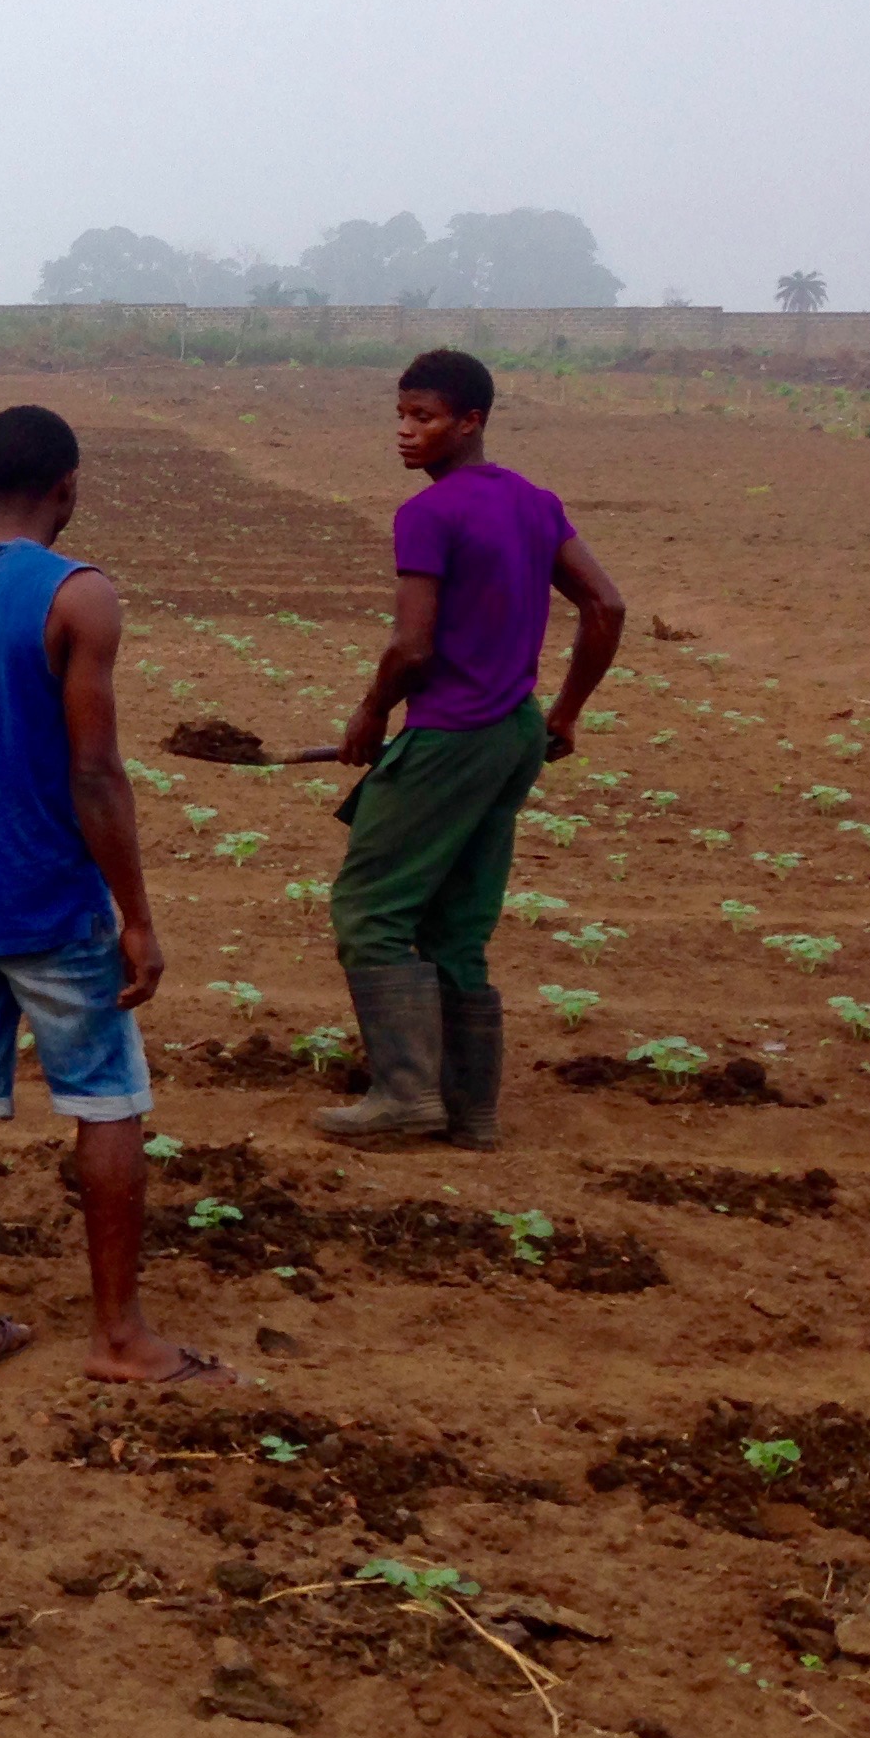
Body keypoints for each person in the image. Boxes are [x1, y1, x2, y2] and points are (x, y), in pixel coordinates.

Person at [0, 405, 228, 1385]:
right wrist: (138, 915)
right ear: (69, 486)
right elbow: (95, 775)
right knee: (108, 1102)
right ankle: (120, 1335)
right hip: (50, 901)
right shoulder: (80, 597)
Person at [320, 349, 624, 1147]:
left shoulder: (429, 513)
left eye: (423, 417)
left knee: (370, 910)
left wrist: (369, 714)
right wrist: (563, 714)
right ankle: (472, 1109)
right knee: (457, 923)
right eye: (402, 416)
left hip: (451, 733)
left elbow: (412, 648)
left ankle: (407, 1094)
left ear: (472, 421)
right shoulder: (535, 503)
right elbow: (606, 606)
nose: (406, 432)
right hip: (515, 731)